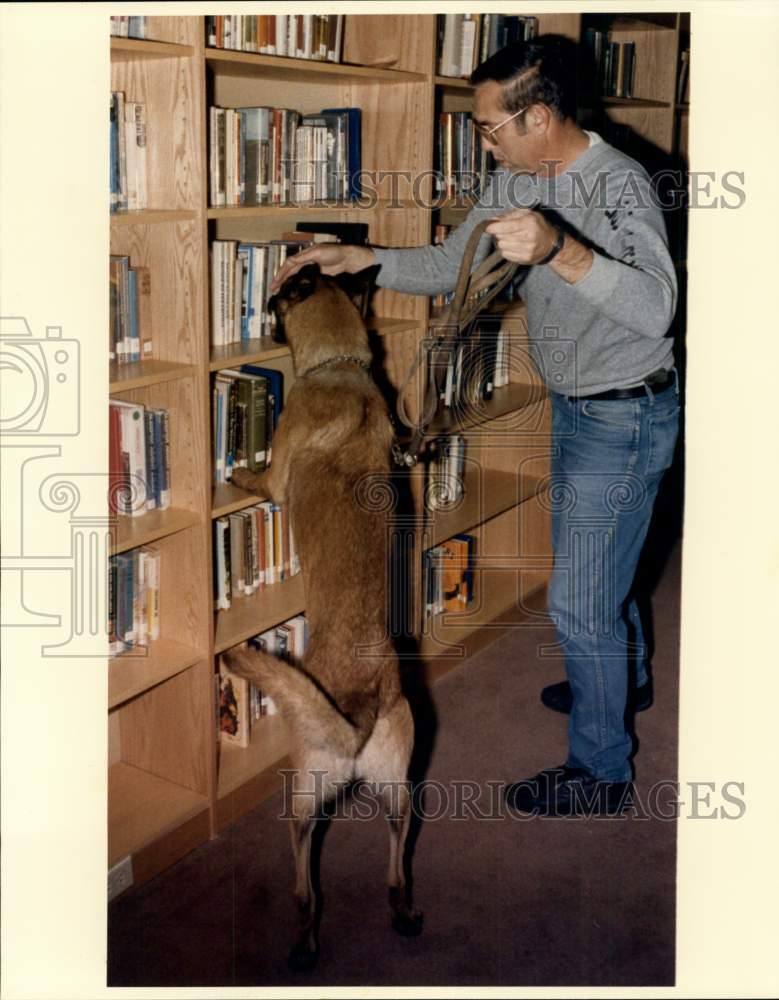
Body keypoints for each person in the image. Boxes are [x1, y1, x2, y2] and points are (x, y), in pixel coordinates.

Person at [271, 36, 681, 817]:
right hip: (578, 404)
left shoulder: (620, 185)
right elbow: (446, 264)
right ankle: (621, 678)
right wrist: (359, 258)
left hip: (627, 410)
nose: (480, 140)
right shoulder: (515, 174)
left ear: (537, 115)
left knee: (579, 602)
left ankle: (602, 772)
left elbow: (656, 307)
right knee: (600, 564)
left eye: (489, 126)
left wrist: (560, 248)